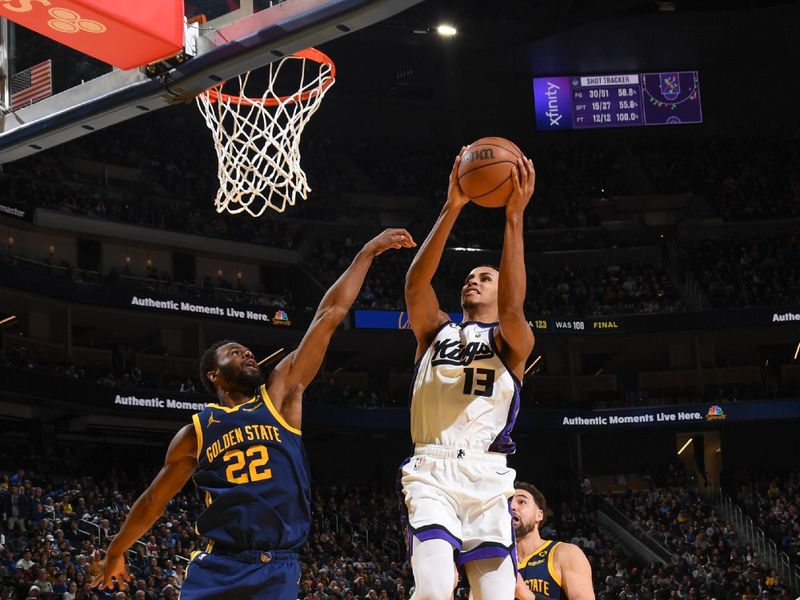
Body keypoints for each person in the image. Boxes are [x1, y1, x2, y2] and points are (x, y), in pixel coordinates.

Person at [92, 228, 416, 599]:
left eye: (247, 351)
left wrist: (367, 251)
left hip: (275, 566)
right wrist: (116, 549)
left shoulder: (279, 395)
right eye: (234, 351)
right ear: (213, 374)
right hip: (216, 566)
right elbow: (154, 501)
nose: (246, 354)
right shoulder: (197, 431)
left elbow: (329, 314)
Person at [400, 151, 536, 600]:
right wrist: (452, 205)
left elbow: (514, 308)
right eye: (470, 276)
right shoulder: (436, 329)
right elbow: (416, 285)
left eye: (486, 277)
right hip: (432, 467)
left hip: (488, 474)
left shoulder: (512, 342)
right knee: (436, 588)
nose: (472, 281)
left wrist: (513, 216)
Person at [512, 482, 594, 600]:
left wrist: (529, 597)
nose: (512, 507)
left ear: (539, 515)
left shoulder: (565, 553)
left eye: (521, 502)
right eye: (508, 502)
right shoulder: (496, 562)